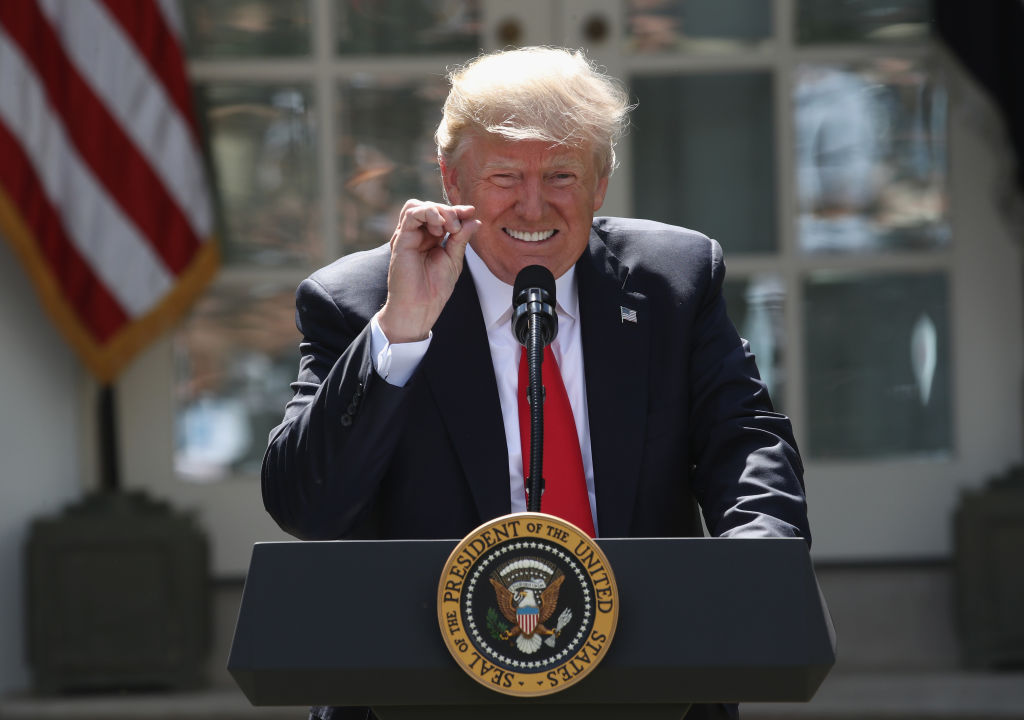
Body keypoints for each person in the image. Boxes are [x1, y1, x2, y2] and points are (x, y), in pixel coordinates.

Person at [262, 46, 809, 720]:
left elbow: (743, 439)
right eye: (502, 176)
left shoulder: (674, 279)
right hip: (419, 693)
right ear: (450, 180)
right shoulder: (356, 300)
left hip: (647, 685)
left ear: (600, 183)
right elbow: (304, 505)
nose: (532, 205)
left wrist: (758, 560)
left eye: (561, 174)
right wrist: (400, 330)